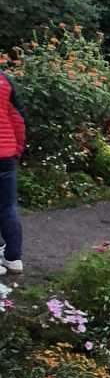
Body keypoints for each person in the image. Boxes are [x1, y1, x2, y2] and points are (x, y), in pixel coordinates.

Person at [0, 69, 26, 274]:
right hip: (6, 156)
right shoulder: (4, 80)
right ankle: (13, 258)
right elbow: (17, 119)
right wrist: (16, 151)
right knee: (8, 207)